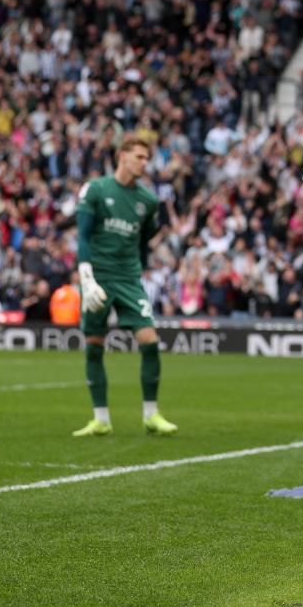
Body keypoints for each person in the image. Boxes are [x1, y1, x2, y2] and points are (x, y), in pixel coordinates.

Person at [71, 135, 177, 438]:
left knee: (150, 340)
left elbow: (143, 243)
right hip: (97, 278)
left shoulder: (148, 201)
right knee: (93, 346)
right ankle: (100, 418)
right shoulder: (96, 189)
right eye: (139, 157)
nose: (144, 163)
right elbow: (82, 236)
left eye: (147, 158)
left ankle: (151, 415)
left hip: (129, 279)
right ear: (122, 156)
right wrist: (86, 277)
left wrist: (139, 274)